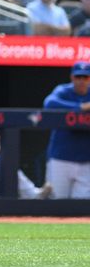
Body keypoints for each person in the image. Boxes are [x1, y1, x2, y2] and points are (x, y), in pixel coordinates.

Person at [43, 61, 90, 199]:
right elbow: (49, 104)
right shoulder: (63, 91)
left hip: (86, 161)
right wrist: (82, 107)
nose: (81, 81)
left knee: (83, 210)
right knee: (55, 204)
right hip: (60, 159)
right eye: (78, 77)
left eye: (85, 77)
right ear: (72, 77)